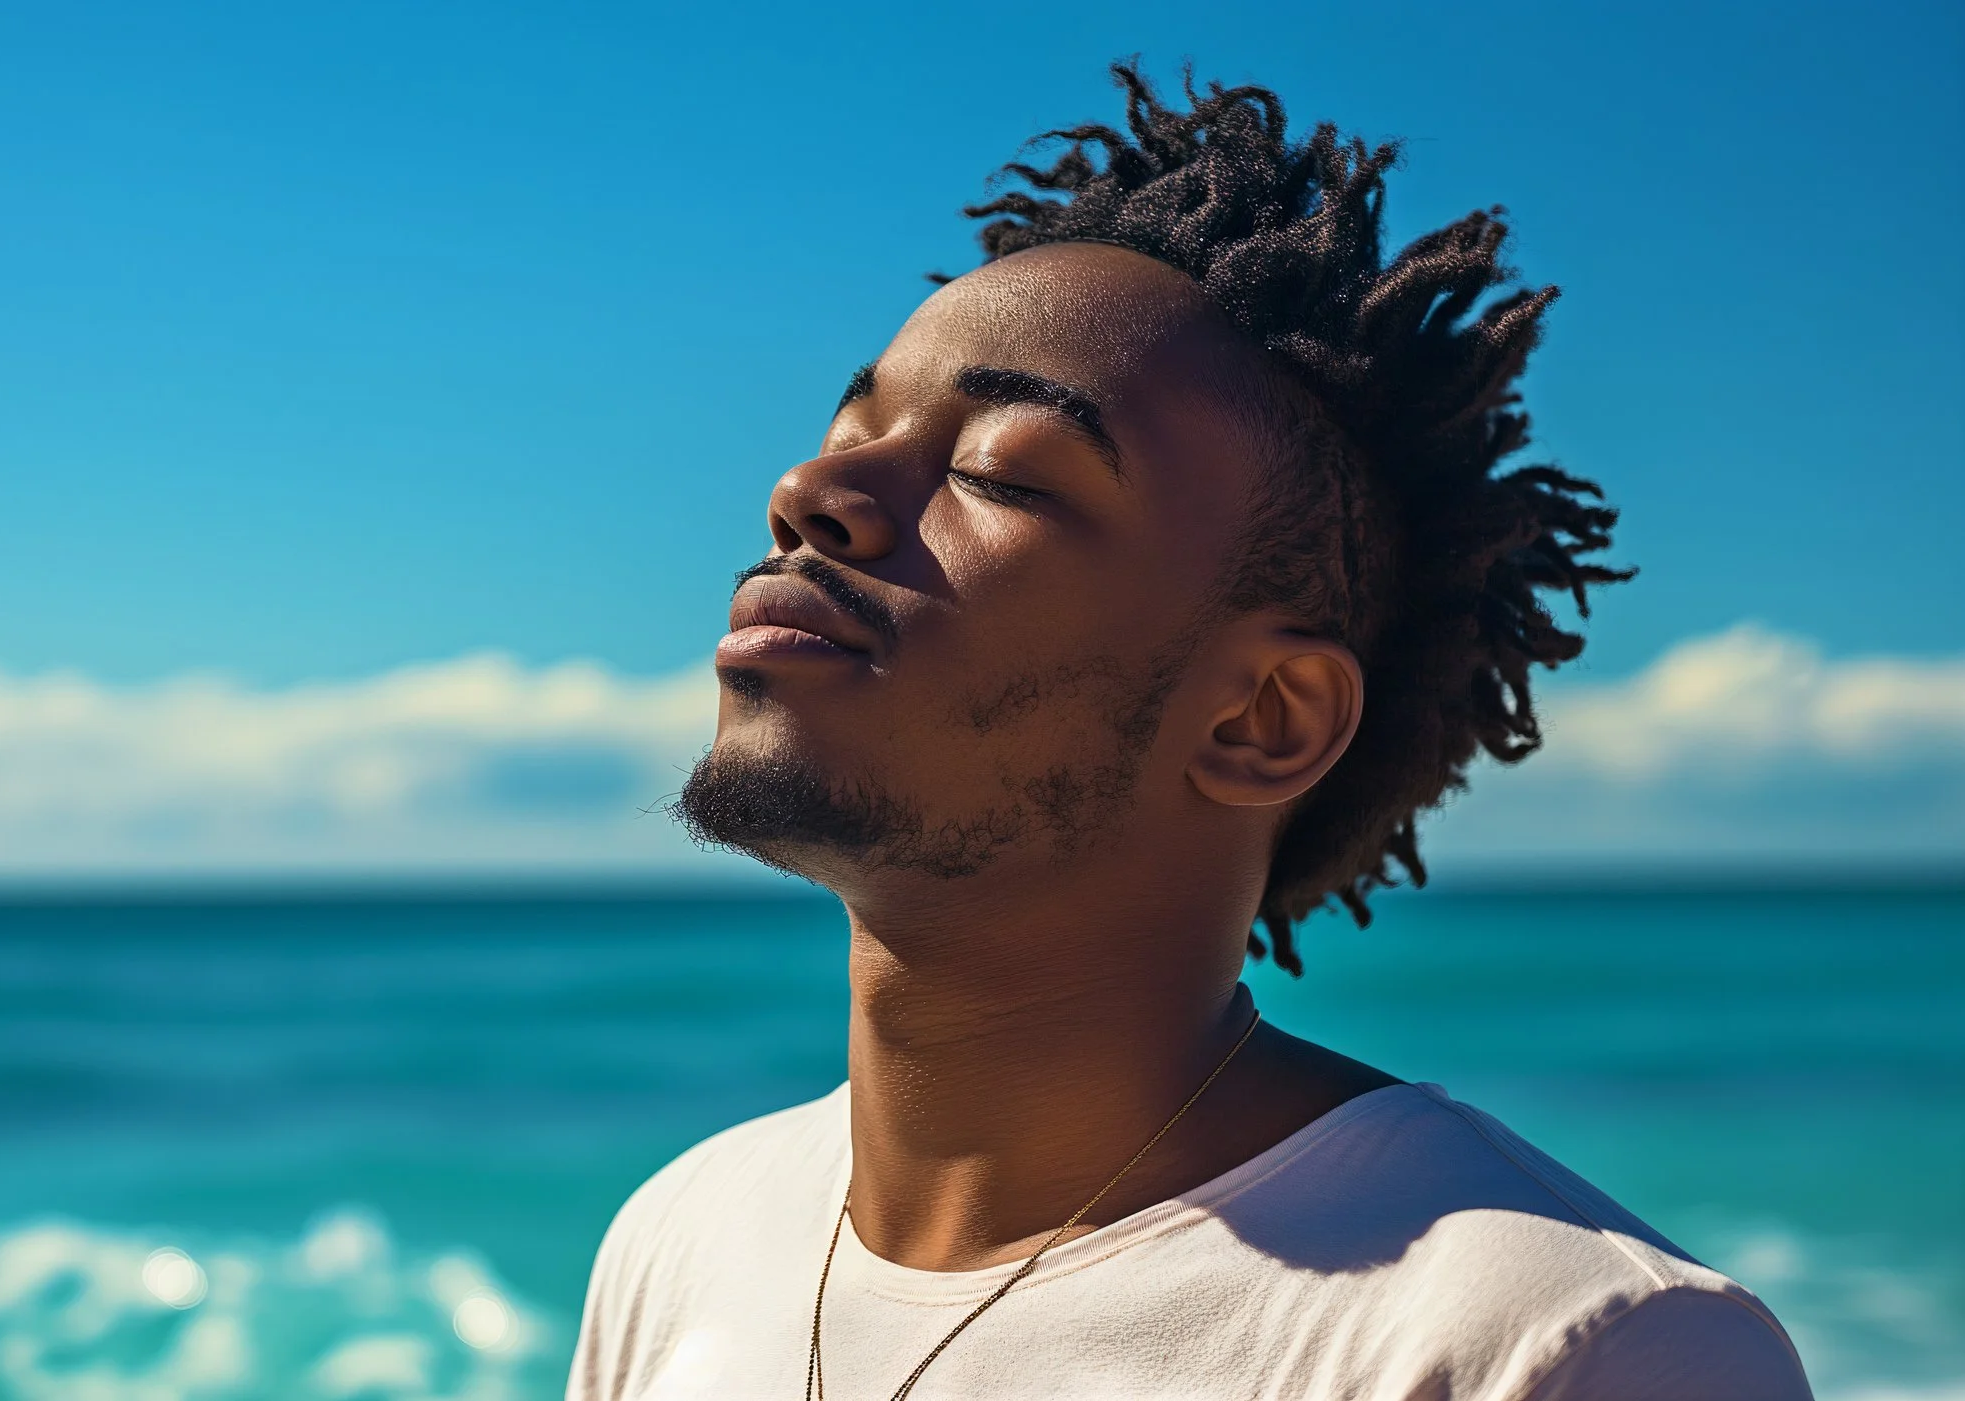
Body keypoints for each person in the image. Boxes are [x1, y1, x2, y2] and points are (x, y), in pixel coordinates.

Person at [567, 62, 1811, 1401]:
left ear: (1264, 720)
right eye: (847, 430)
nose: (811, 492)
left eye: (1001, 470)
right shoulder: (688, 1234)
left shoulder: (1561, 1344)